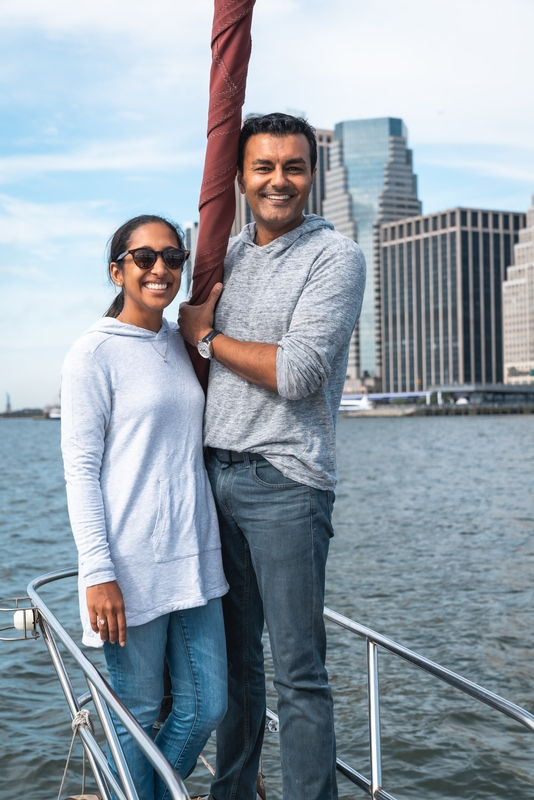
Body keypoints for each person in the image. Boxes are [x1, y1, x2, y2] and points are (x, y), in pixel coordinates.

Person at [178, 114, 366, 800]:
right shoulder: (221, 259)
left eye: (293, 167)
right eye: (263, 167)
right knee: (233, 666)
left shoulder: (334, 256)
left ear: (312, 176)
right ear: (240, 177)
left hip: (285, 482)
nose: (278, 180)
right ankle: (232, 794)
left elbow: (299, 373)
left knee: (298, 672)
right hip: (213, 477)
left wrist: (208, 340)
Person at [61, 215, 229, 800]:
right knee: (133, 713)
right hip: (129, 566)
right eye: (144, 258)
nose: (161, 268)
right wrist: (97, 572)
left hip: (195, 559)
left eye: (173, 257)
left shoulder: (178, 343)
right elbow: (80, 471)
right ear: (118, 271)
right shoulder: (93, 352)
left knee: (208, 705)